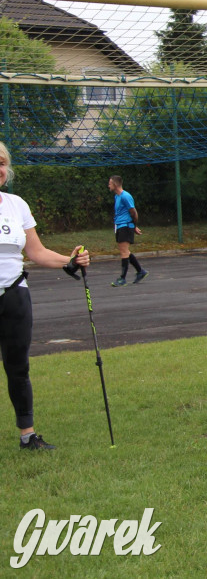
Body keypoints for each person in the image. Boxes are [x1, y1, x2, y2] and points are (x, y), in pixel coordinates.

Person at [0, 143, 91, 450]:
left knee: (18, 367)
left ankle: (28, 436)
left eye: (2, 163)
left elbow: (36, 252)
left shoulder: (16, 205)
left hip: (14, 297)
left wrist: (70, 260)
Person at [107, 176, 147, 287]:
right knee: (125, 251)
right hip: (120, 226)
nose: (108, 185)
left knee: (124, 252)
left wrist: (133, 226)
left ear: (115, 184)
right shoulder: (117, 197)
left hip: (125, 226)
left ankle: (122, 279)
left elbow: (134, 212)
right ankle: (140, 271)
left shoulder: (126, 196)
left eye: (110, 183)